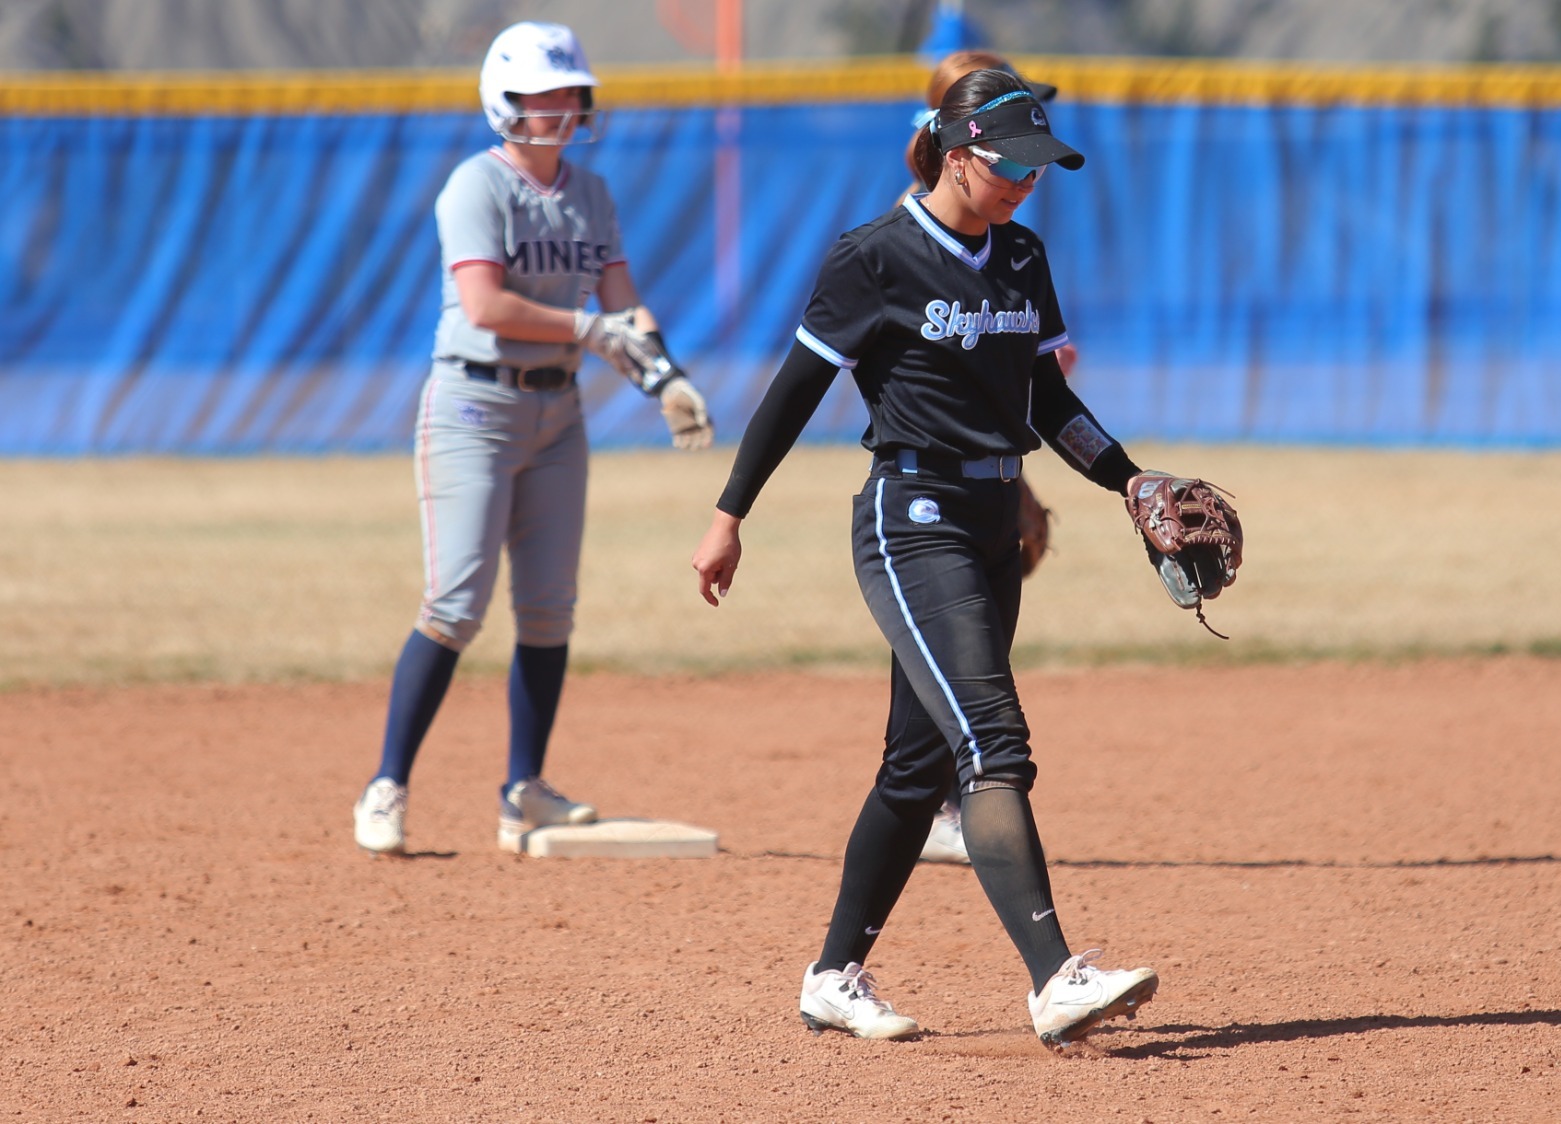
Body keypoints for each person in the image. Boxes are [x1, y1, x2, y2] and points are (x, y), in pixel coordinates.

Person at [690, 69, 1160, 1053]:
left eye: (1040, 169)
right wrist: (729, 513)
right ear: (956, 155)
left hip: (993, 522)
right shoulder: (876, 258)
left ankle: (831, 975)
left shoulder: (1021, 256)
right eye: (1010, 166)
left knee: (917, 765)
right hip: (912, 520)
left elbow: (1045, 403)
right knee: (994, 740)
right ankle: (1054, 978)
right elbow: (791, 394)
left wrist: (1125, 480)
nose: (1025, 184)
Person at [353, 21, 710, 855]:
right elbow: (484, 305)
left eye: (568, 93)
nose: (560, 108)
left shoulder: (592, 193)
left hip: (558, 415)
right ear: (502, 102)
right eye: (541, 95)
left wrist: (667, 378)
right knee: (456, 603)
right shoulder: (476, 186)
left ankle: (525, 790)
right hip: (474, 408)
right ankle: (387, 786)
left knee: (549, 606)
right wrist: (588, 329)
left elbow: (625, 304)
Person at [905, 49, 1069, 865]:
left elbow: (1034, 388)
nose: (1026, 166)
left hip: (989, 480)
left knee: (942, 671)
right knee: (964, 670)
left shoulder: (1015, 247)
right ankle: (946, 802)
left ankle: (923, 797)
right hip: (924, 494)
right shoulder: (911, 239)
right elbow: (949, 392)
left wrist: (1026, 476)